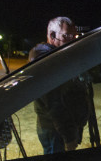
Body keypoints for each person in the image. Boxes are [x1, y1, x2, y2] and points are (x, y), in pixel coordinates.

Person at [29, 17, 89, 154]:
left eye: (74, 36)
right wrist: (68, 136)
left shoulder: (60, 56)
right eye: (67, 35)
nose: (73, 40)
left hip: (60, 128)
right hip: (55, 130)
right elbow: (54, 103)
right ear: (52, 35)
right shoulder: (44, 59)